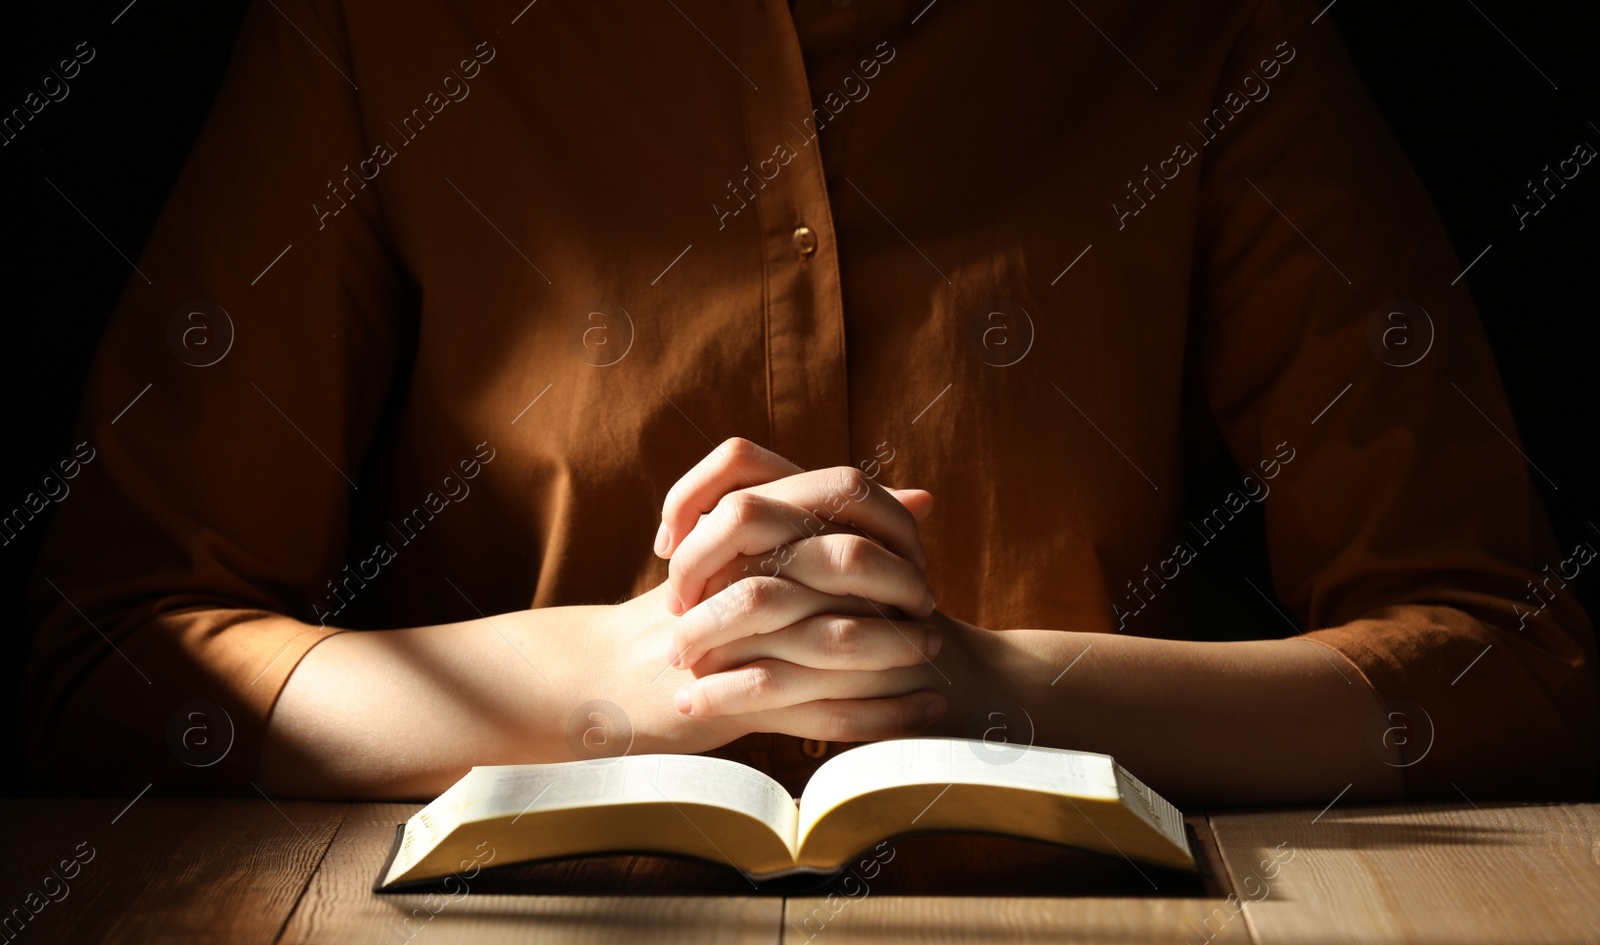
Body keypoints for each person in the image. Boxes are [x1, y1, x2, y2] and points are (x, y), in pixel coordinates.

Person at [21, 0, 1596, 805]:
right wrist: (615, 683)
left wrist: (999, 696)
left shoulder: (1203, 28)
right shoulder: (387, 24)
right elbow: (111, 648)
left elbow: (1508, 655)